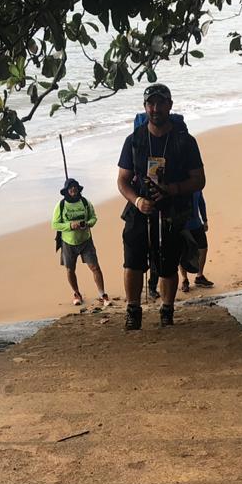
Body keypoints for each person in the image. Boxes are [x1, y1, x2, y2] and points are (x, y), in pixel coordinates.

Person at [117, 84, 205, 330]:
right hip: (139, 209)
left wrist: (172, 189)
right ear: (145, 107)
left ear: (170, 105)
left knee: (168, 264)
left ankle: (167, 310)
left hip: (172, 211)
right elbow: (122, 180)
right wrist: (137, 201)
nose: (155, 108)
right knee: (132, 262)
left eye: (160, 103)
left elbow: (199, 180)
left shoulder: (185, 141)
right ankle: (133, 311)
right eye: (151, 103)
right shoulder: (133, 140)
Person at [51, 177, 109, 309]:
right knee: (70, 269)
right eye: (70, 187)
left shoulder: (85, 202)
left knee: (95, 267)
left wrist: (87, 224)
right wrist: (70, 226)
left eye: (75, 187)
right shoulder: (61, 205)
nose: (73, 189)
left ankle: (102, 294)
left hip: (86, 241)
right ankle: (77, 294)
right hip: (68, 243)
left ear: (78, 189)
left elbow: (94, 218)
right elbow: (55, 224)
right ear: (66, 190)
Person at [179, 190, 214, 291]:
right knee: (183, 252)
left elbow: (201, 202)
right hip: (183, 226)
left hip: (196, 224)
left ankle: (199, 276)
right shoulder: (178, 187)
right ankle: (184, 279)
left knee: (203, 248)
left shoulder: (196, 186)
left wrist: (205, 220)